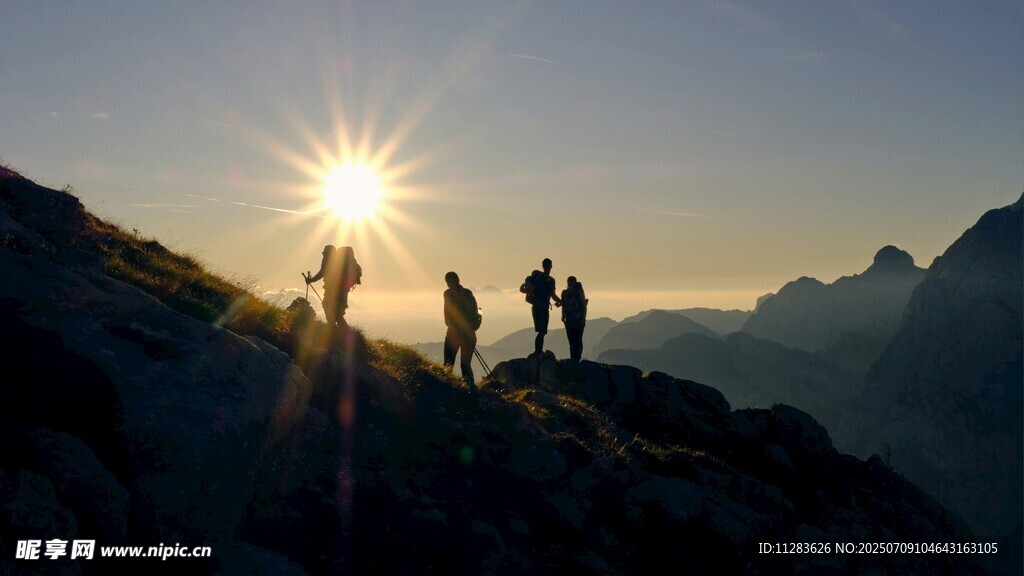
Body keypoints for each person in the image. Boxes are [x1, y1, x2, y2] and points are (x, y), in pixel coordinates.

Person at [305, 245, 361, 326]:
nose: (323, 253)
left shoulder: (328, 259)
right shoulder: (341, 261)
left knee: (329, 309)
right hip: (343, 291)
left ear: (328, 252)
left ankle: (334, 328)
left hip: (332, 291)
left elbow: (322, 272)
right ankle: (337, 330)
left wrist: (311, 280)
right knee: (338, 314)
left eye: (324, 252)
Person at [443, 271, 479, 386]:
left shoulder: (448, 294)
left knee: (448, 364)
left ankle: (446, 388)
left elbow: (447, 318)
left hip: (453, 334)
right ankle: (470, 389)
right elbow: (475, 312)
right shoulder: (468, 293)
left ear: (447, 282)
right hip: (469, 335)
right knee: (465, 365)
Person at [522, 258, 561, 357]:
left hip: (539, 307)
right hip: (540, 307)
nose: (547, 267)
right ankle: (538, 351)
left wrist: (560, 301)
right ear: (550, 266)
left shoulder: (543, 279)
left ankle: (538, 351)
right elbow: (553, 295)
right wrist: (560, 301)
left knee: (542, 331)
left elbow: (552, 295)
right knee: (542, 331)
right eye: (546, 266)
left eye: (547, 265)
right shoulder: (549, 280)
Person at [560, 276, 588, 361]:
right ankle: (574, 357)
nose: (570, 286)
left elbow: (583, 307)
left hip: (577, 320)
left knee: (577, 339)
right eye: (569, 284)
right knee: (572, 340)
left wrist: (583, 318)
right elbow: (563, 306)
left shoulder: (578, 294)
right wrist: (563, 316)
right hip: (570, 320)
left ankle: (576, 357)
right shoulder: (565, 294)